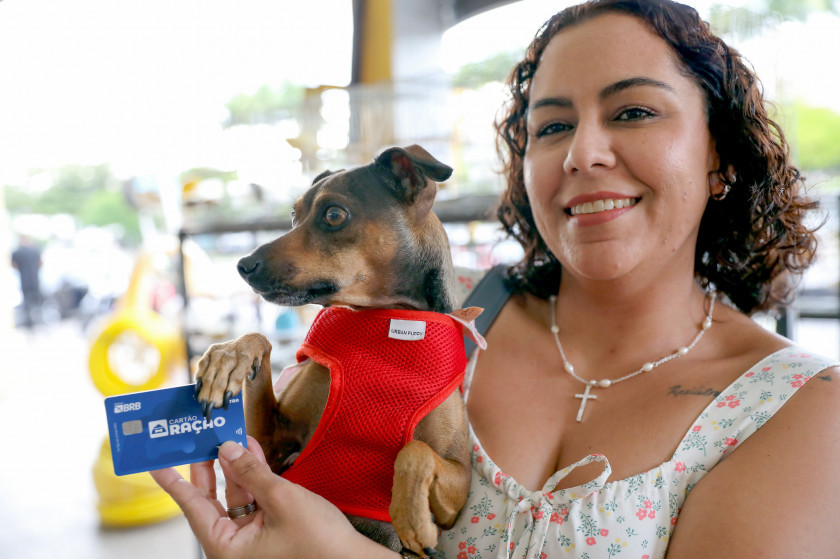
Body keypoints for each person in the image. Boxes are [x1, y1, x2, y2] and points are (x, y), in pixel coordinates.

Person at [152, 1, 840, 557]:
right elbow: (288, 452)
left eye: (633, 112)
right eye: (552, 126)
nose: (582, 153)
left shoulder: (793, 410)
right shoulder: (436, 313)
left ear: (721, 155)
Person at [11, 234, 43, 329]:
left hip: (24, 281)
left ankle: (30, 323)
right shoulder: (35, 251)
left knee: (27, 303)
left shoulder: (17, 253)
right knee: (36, 302)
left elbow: (14, 265)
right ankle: (37, 321)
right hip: (35, 281)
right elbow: (41, 264)